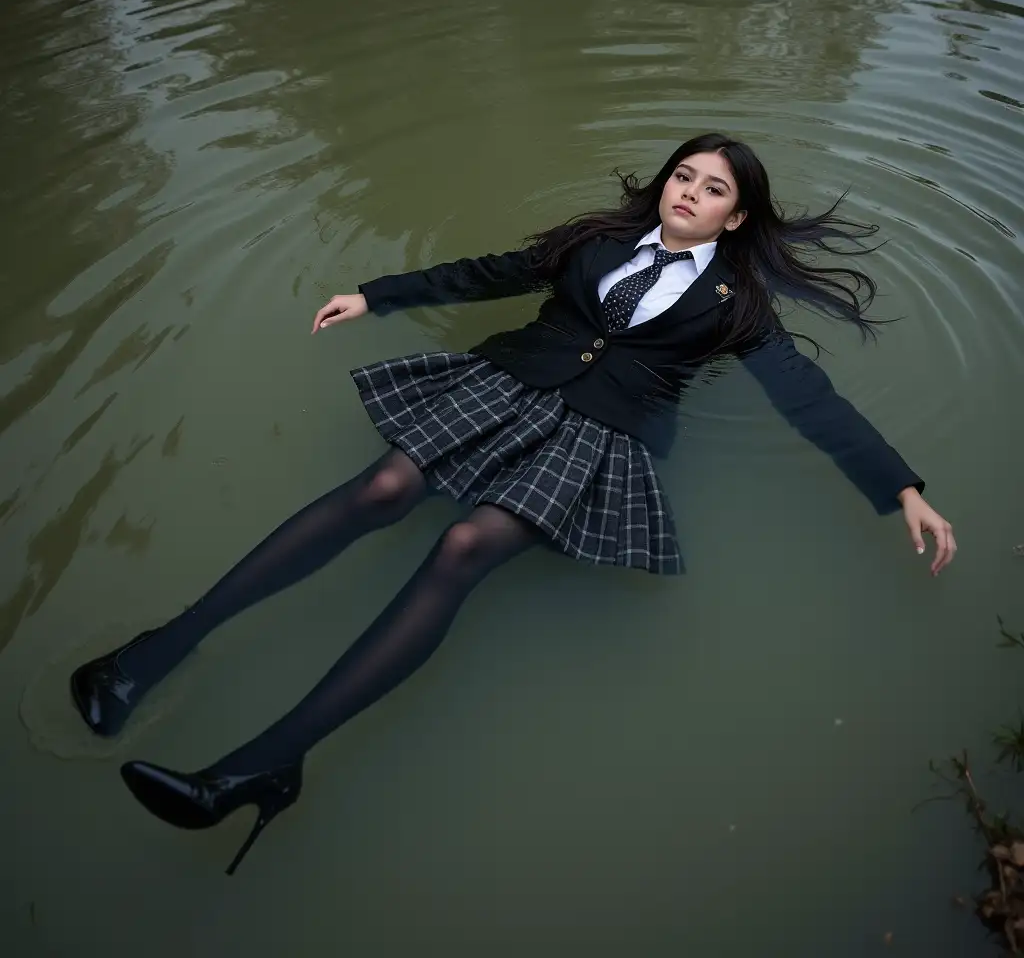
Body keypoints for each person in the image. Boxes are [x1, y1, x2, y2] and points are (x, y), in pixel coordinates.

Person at [70, 133, 956, 874]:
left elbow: (808, 396)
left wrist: (902, 488)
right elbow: (491, 272)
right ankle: (148, 656)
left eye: (712, 187)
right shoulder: (594, 240)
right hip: (504, 384)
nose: (688, 192)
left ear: (738, 216)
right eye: (682, 175)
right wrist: (377, 295)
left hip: (599, 440)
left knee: (462, 549)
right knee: (381, 487)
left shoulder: (740, 307)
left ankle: (264, 767)